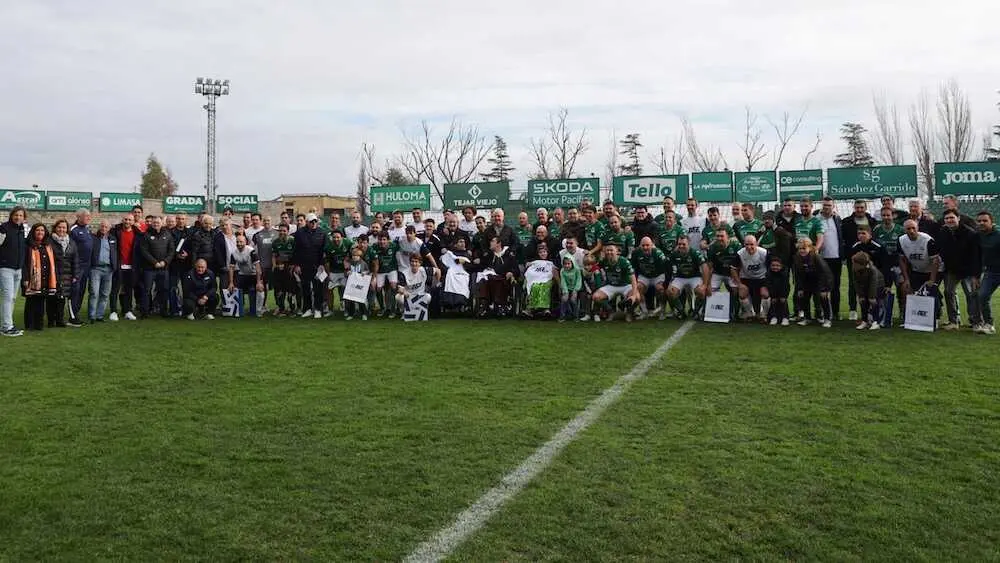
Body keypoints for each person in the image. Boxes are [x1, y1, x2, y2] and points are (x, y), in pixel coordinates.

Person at [937, 209, 981, 331]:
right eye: (947, 219)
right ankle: (953, 321)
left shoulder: (970, 233)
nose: (949, 220)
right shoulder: (943, 231)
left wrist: (975, 275)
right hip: (952, 270)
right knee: (948, 292)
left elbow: (975, 256)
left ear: (958, 218)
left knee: (972, 294)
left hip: (968, 270)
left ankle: (976, 322)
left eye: (952, 218)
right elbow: (942, 250)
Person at [898, 219, 943, 321]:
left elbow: (935, 261)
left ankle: (935, 316)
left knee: (930, 290)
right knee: (909, 290)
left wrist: (932, 279)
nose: (911, 231)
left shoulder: (927, 240)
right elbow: (902, 260)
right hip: (917, 269)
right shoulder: (901, 240)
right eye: (908, 228)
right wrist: (906, 279)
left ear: (917, 228)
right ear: (904, 230)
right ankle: (912, 317)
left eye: (913, 228)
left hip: (933, 269)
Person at [841, 200, 877, 320]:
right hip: (853, 258)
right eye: (857, 207)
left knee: (871, 283)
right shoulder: (846, 222)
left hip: (870, 259)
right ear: (854, 208)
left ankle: (871, 311)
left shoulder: (872, 222)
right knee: (853, 284)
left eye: (862, 207)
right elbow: (843, 240)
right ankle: (852, 309)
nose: (859, 209)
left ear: (865, 208)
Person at [21, 223, 58, 331]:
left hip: (45, 279)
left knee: (41, 302)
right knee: (31, 302)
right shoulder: (28, 246)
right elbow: (24, 263)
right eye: (37, 230)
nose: (40, 232)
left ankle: (39, 324)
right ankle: (30, 324)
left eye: (42, 230)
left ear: (45, 232)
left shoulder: (48, 245)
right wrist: (25, 278)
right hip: (31, 279)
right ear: (33, 232)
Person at [591, 244, 640, 322]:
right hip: (611, 285)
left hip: (626, 285)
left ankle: (629, 313)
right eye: (607, 250)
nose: (609, 252)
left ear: (617, 252)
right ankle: (611, 312)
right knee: (596, 297)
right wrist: (593, 269)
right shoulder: (604, 261)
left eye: (611, 250)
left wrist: (633, 295)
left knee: (637, 298)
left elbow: (633, 279)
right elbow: (594, 266)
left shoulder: (624, 261)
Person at [792, 238, 834, 328]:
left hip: (820, 280)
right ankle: (807, 318)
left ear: (810, 248)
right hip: (807, 281)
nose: (802, 251)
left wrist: (824, 289)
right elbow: (798, 274)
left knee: (823, 299)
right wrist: (800, 288)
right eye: (800, 248)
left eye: (804, 248)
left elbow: (825, 273)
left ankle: (827, 319)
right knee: (804, 298)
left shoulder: (816, 257)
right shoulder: (797, 258)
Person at [139, 216, 174, 319]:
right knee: (146, 290)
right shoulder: (146, 235)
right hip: (149, 269)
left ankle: (163, 311)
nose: (156, 224)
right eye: (154, 223)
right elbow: (144, 251)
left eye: (158, 222)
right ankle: (145, 312)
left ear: (162, 223)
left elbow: (171, 250)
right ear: (151, 224)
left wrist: (165, 261)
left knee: (164, 290)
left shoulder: (167, 234)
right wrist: (154, 262)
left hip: (163, 268)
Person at [292, 213, 327, 318]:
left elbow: (324, 251)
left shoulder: (322, 233)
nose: (314, 223)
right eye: (311, 221)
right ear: (307, 222)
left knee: (318, 289)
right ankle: (307, 309)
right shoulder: (299, 233)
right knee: (305, 288)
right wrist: (297, 265)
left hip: (318, 265)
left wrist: (322, 264)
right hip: (304, 265)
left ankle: (318, 309)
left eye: (315, 221)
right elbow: (296, 250)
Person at [48, 219, 81, 327]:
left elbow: (75, 260)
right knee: (52, 297)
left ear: (67, 229)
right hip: (53, 274)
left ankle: (59, 320)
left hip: (67, 275)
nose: (61, 229)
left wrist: (76, 275)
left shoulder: (71, 242)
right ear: (55, 228)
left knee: (62, 297)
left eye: (64, 227)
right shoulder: (49, 241)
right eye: (59, 227)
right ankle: (50, 320)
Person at [476, 236, 518, 318]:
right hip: (490, 279)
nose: (490, 243)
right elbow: (482, 267)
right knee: (484, 281)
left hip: (504, 280)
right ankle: (484, 305)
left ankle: (499, 305)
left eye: (492, 241)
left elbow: (516, 269)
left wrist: (511, 272)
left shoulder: (508, 255)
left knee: (498, 280)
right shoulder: (489, 256)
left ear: (499, 244)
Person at [110, 215, 141, 321]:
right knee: (115, 289)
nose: (127, 221)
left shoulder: (138, 234)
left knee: (128, 290)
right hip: (119, 266)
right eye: (126, 219)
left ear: (133, 222)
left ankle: (127, 311)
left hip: (131, 267)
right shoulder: (115, 231)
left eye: (129, 220)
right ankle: (113, 311)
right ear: (122, 220)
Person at [631, 236, 669, 320]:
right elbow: (633, 268)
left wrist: (666, 282)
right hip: (644, 275)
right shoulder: (636, 252)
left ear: (652, 245)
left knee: (660, 289)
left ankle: (662, 311)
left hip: (657, 275)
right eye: (643, 245)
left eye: (647, 245)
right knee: (638, 288)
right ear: (640, 245)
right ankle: (644, 311)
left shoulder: (658, 253)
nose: (645, 247)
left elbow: (667, 267)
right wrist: (635, 280)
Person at [666, 235, 704, 319]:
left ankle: (696, 312)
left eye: (683, 244)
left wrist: (704, 284)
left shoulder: (695, 253)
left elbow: (704, 267)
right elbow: (671, 270)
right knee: (670, 292)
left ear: (688, 244)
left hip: (694, 276)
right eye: (679, 244)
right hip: (680, 277)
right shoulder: (674, 254)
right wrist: (670, 283)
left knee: (701, 291)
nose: (681, 246)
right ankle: (681, 312)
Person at [817, 197, 844, 318]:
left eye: (829, 205)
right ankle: (821, 312)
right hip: (821, 258)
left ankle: (835, 312)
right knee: (821, 287)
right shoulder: (816, 219)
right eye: (825, 205)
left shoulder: (837, 218)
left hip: (836, 258)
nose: (826, 207)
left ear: (833, 206)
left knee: (835, 287)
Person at [227, 232, 263, 317]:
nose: (239, 244)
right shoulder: (234, 253)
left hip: (254, 274)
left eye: (241, 242)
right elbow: (231, 268)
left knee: (259, 290)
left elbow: (258, 267)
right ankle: (239, 310)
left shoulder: (251, 251)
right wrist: (231, 282)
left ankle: (257, 310)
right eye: (237, 242)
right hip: (242, 274)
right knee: (234, 289)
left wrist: (258, 282)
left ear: (245, 242)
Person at [88, 220, 117, 323]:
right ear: (99, 227)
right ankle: (92, 315)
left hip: (108, 269)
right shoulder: (93, 238)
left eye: (106, 227)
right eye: (102, 226)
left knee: (105, 294)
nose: (104, 228)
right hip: (96, 269)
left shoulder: (112, 239)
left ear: (109, 228)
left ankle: (99, 315)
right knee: (94, 293)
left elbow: (115, 253)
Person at [976, 211, 1000, 335]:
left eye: (985, 221)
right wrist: (977, 275)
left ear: (991, 221)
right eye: (979, 221)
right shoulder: (978, 235)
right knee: (983, 296)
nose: (982, 223)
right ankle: (989, 324)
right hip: (991, 272)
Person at [736, 234, 769, 322]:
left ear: (756, 244)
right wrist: (739, 284)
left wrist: (768, 282)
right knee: (742, 293)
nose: (749, 247)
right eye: (746, 244)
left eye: (751, 244)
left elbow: (770, 267)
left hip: (761, 278)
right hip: (746, 278)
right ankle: (749, 314)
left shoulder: (764, 253)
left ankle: (764, 315)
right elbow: (733, 269)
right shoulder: (740, 253)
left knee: (765, 294)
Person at [68, 208, 92, 324]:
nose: (89, 218)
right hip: (77, 266)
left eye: (89, 216)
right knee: (75, 290)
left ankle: (76, 314)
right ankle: (72, 317)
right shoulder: (74, 230)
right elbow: (69, 248)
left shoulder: (87, 229)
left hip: (87, 266)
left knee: (82, 291)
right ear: (79, 217)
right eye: (86, 216)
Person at [523, 243, 559, 318]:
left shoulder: (551, 262)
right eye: (541, 252)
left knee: (544, 286)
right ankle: (530, 309)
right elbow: (529, 272)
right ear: (538, 254)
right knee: (535, 286)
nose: (543, 254)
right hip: (535, 280)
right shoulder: (534, 262)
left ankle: (545, 309)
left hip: (547, 280)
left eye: (544, 252)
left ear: (547, 253)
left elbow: (555, 271)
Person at [851, 252, 884, 331]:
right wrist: (860, 295)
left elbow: (873, 283)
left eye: (856, 263)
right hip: (864, 286)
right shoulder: (854, 269)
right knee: (863, 302)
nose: (854, 265)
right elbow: (856, 282)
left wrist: (872, 297)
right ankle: (864, 321)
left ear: (861, 264)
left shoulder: (872, 270)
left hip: (877, 285)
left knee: (874, 303)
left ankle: (876, 322)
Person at [324, 229, 353, 318]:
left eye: (338, 237)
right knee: (329, 290)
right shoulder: (328, 247)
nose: (336, 239)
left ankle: (347, 310)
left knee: (346, 290)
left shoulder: (348, 243)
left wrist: (348, 261)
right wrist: (328, 274)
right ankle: (330, 310)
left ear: (342, 237)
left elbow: (355, 252)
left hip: (345, 271)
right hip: (334, 271)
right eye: (334, 237)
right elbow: (327, 262)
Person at [251, 216, 277, 314]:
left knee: (276, 286)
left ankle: (278, 306)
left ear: (272, 222)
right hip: (263, 265)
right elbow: (251, 249)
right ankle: (263, 305)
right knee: (263, 287)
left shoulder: (277, 233)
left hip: (274, 266)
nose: (267, 222)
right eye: (265, 220)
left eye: (268, 220)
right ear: (262, 222)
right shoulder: (257, 235)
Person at [371, 232, 400, 318]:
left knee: (393, 286)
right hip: (380, 271)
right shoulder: (374, 247)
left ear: (388, 240)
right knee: (378, 288)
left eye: (384, 239)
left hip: (392, 270)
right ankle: (382, 308)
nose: (382, 241)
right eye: (380, 239)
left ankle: (393, 309)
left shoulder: (394, 245)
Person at [271, 223, 296, 316]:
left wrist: (293, 265)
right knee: (279, 291)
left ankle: (292, 309)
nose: (282, 232)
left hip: (290, 269)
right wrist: (275, 265)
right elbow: (273, 256)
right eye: (280, 231)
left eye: (284, 231)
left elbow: (296, 255)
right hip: (280, 269)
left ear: (288, 231)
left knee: (291, 290)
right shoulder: (275, 242)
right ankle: (281, 308)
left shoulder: (293, 241)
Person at [345, 246, 371, 321]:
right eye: (353, 256)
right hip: (352, 285)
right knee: (351, 300)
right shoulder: (350, 263)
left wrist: (365, 273)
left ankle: (364, 314)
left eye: (356, 256)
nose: (354, 257)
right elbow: (346, 272)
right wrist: (348, 272)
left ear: (360, 256)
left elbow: (368, 271)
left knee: (360, 300)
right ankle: (351, 314)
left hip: (360, 284)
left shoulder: (363, 263)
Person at [765, 255, 791, 326]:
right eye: (773, 265)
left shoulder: (785, 274)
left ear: (781, 266)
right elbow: (769, 285)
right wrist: (773, 296)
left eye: (777, 265)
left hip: (783, 292)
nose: (775, 267)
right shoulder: (768, 274)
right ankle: (774, 317)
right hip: (773, 292)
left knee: (783, 302)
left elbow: (786, 286)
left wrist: (783, 296)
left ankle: (785, 317)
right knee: (773, 302)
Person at [559, 254, 581, 322]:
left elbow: (578, 280)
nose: (567, 266)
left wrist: (575, 290)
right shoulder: (562, 271)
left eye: (568, 264)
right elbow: (563, 282)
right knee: (564, 299)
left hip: (575, 288)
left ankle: (576, 316)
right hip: (567, 288)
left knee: (573, 300)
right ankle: (562, 316)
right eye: (565, 264)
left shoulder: (577, 270)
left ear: (572, 263)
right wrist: (565, 291)